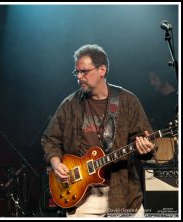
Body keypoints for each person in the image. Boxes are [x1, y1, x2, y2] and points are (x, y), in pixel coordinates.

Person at [41, 44, 155, 217]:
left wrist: (145, 149)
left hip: (124, 195)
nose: (79, 77)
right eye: (76, 72)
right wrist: (56, 164)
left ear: (102, 70)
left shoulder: (128, 101)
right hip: (83, 198)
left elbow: (146, 144)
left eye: (84, 71)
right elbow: (50, 140)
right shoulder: (70, 104)